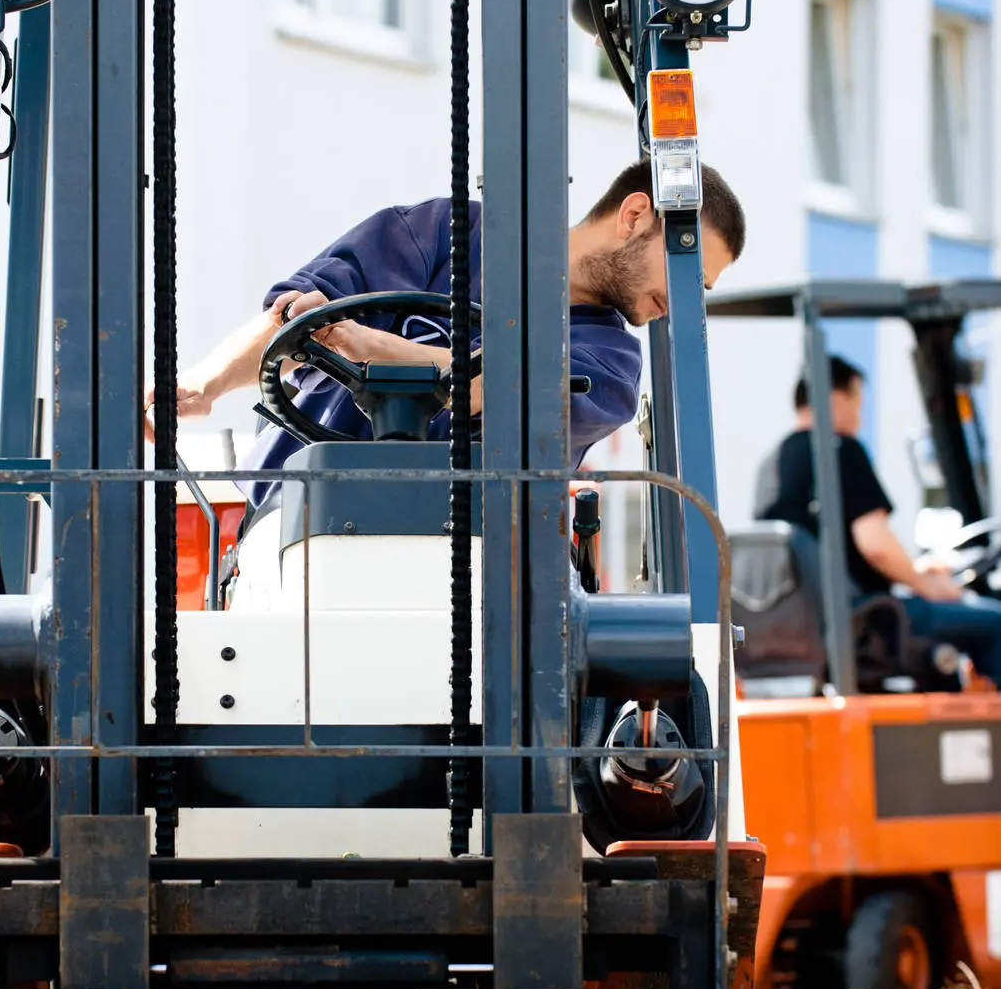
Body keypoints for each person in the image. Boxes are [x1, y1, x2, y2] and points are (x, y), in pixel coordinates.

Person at [146, 159, 747, 498]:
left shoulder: (610, 364)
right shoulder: (444, 235)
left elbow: (501, 387)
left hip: (465, 568)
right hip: (298, 526)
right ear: (636, 215)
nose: (686, 305)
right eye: (688, 274)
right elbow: (299, 319)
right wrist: (205, 386)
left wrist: (368, 346)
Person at [754, 354, 1001, 686]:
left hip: (806, 628)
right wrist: (928, 585)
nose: (860, 417)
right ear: (835, 398)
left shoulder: (772, 464)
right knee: (995, 622)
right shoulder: (839, 449)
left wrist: (916, 569)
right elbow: (875, 546)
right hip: (867, 621)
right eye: (858, 404)